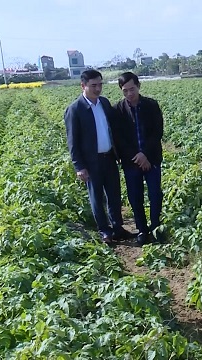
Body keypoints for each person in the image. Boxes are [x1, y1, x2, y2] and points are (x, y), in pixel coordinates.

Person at [64, 69, 136, 245]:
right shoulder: (75, 109)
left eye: (100, 85)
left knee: (114, 195)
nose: (97, 89)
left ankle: (118, 228)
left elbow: (114, 128)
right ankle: (105, 231)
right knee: (96, 197)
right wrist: (79, 166)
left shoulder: (103, 103)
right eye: (93, 85)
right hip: (91, 161)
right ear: (83, 86)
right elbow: (72, 141)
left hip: (109, 157)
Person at [114, 72, 165, 246]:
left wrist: (145, 154)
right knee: (135, 197)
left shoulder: (151, 105)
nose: (129, 93)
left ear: (139, 86)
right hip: (131, 161)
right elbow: (119, 139)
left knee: (155, 194)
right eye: (125, 90)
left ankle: (155, 227)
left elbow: (157, 132)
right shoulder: (118, 110)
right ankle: (142, 230)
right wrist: (136, 156)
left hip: (151, 158)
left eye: (132, 89)